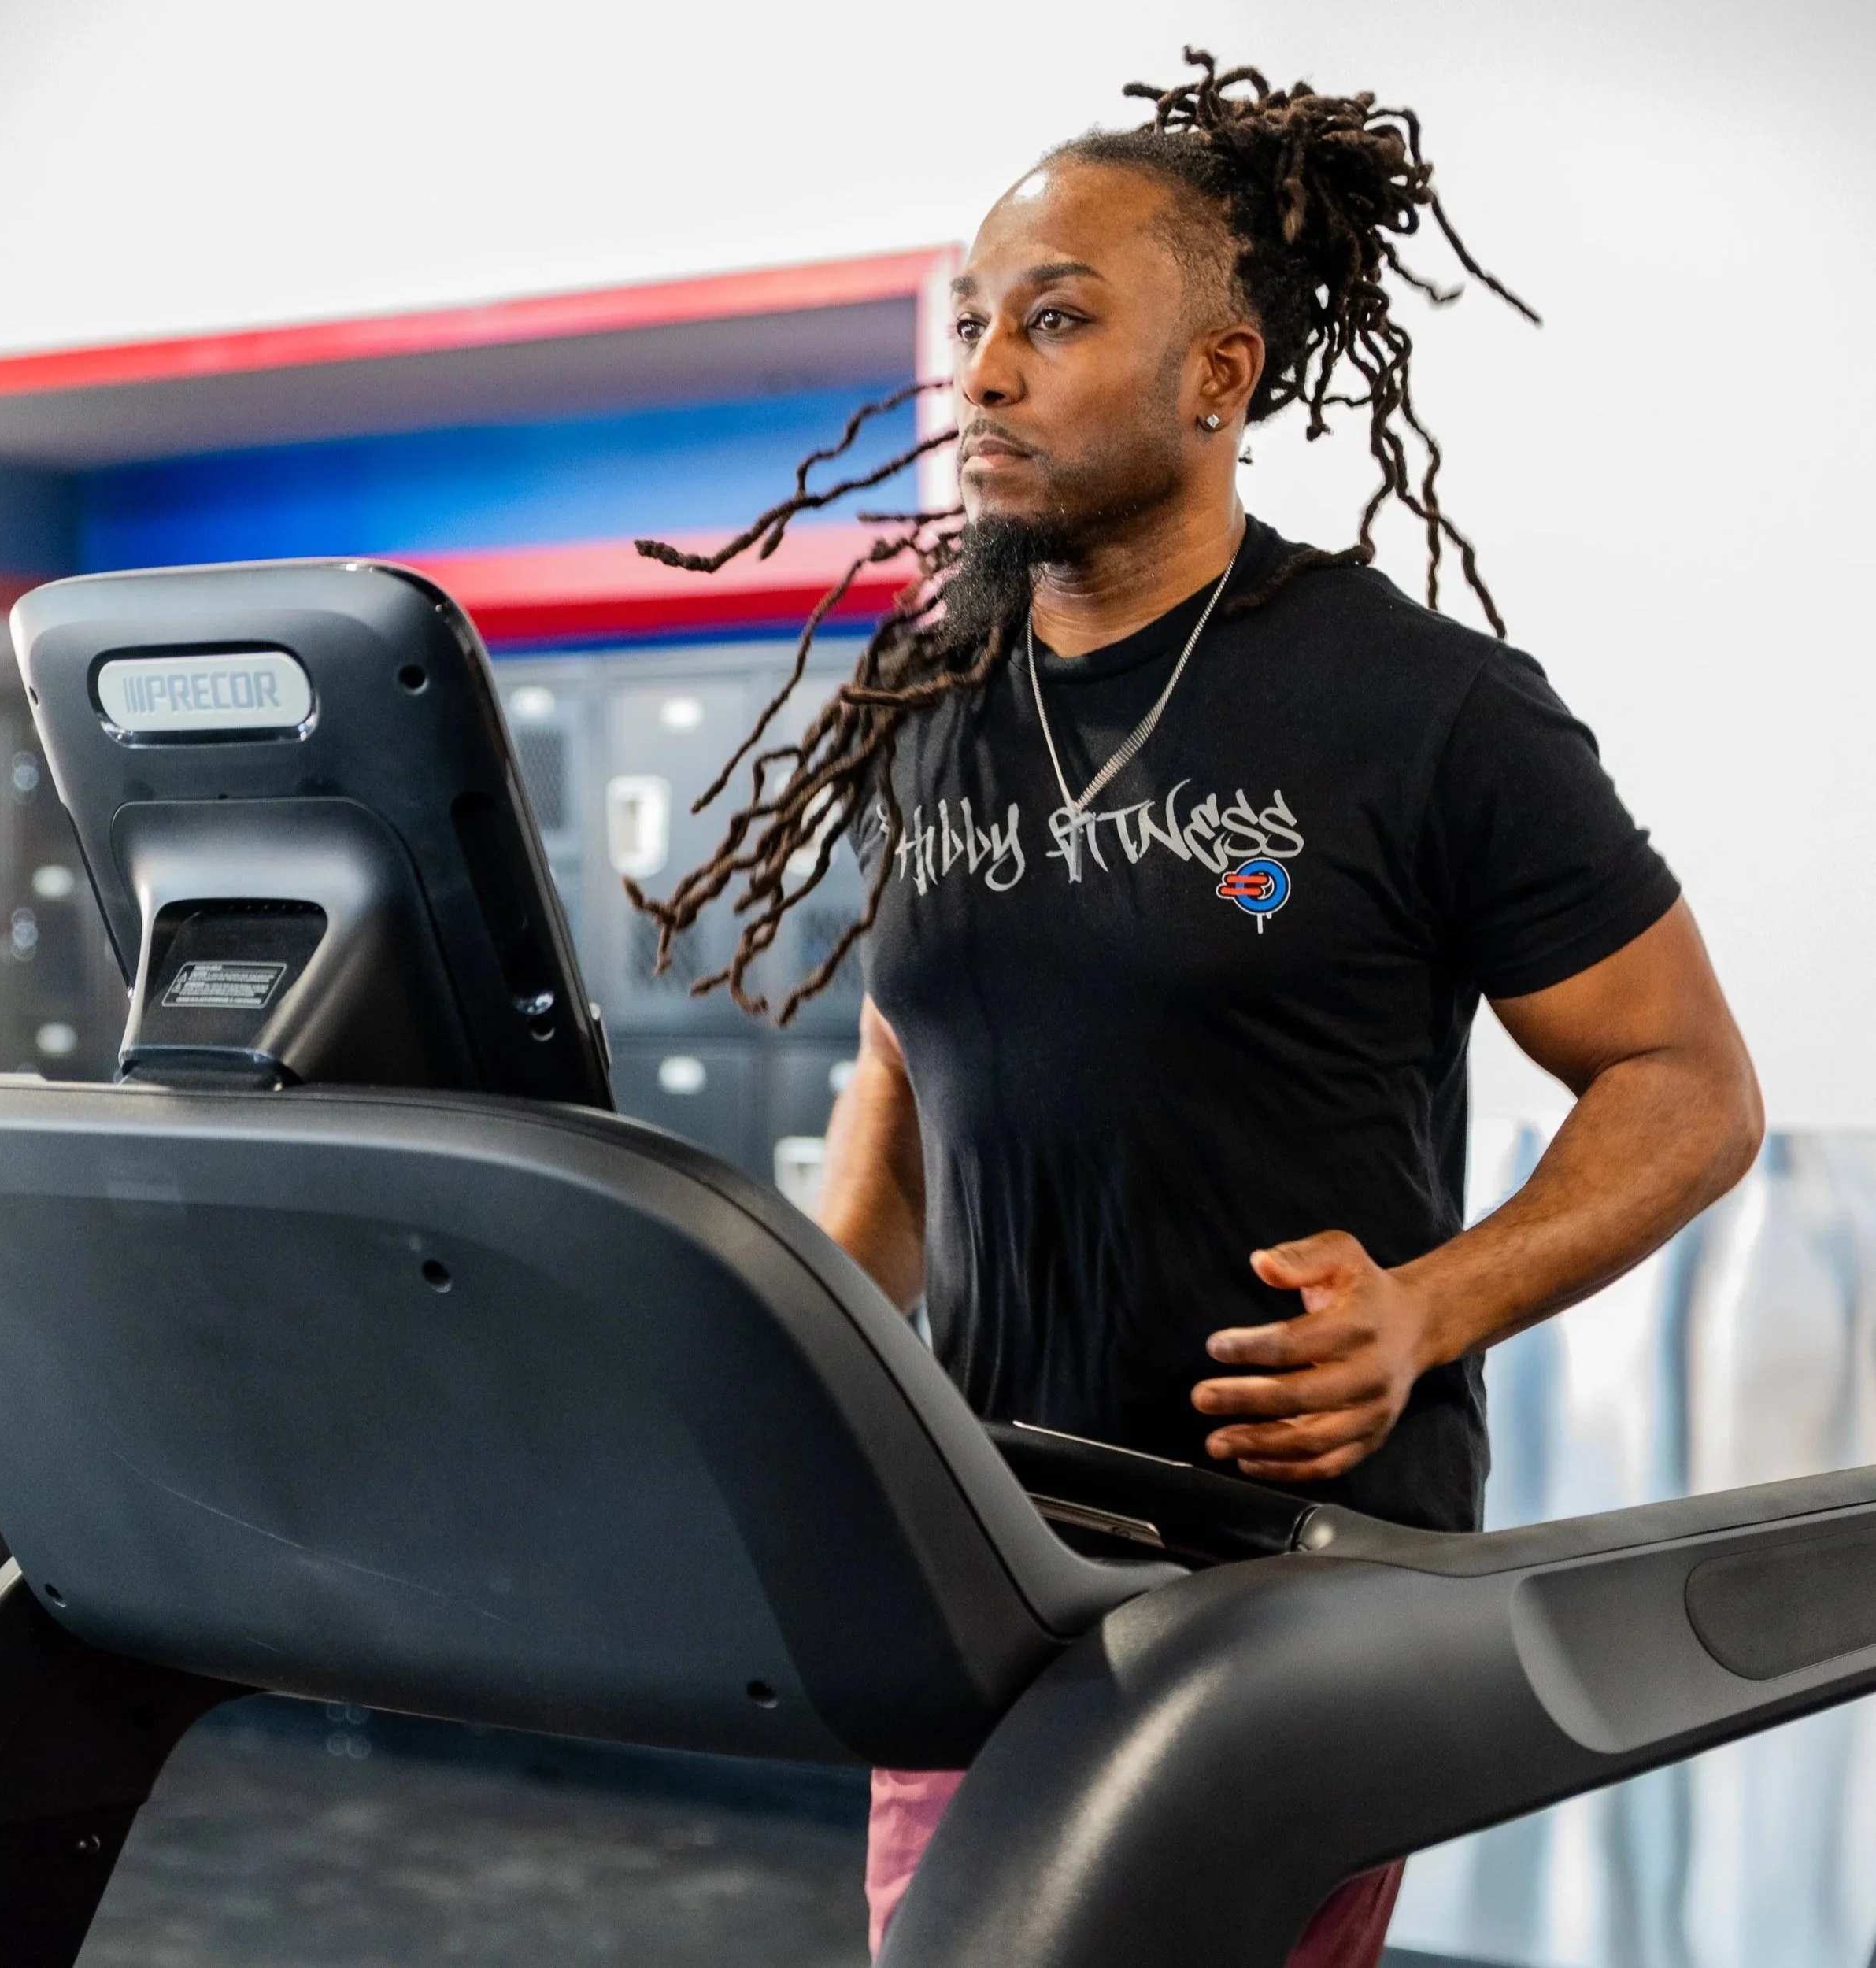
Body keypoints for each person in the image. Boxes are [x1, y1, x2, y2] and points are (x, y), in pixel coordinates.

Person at [628, 54, 1764, 1967]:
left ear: (1217, 376)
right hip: (979, 1544)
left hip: (1285, 1578)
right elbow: (909, 1070)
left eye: (1055, 320)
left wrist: (1429, 1304)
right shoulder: (937, 698)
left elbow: (1686, 1081)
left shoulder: (1429, 710)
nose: (982, 371)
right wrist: (797, 1364)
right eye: (975, 320)